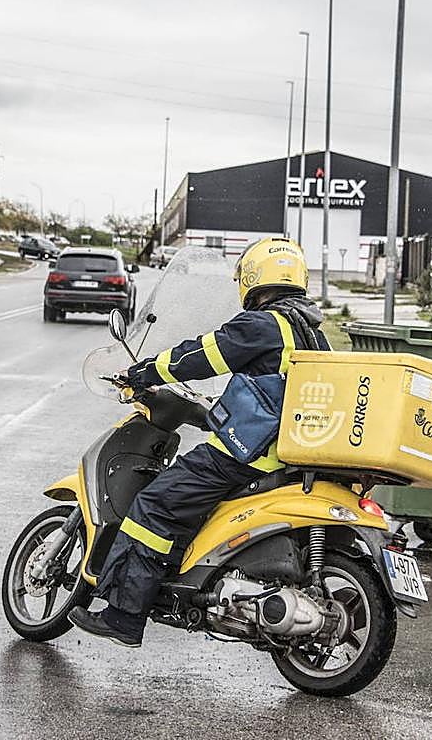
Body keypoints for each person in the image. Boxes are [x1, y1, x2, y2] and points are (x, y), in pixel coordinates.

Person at [68, 236, 330, 647]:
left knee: (155, 505)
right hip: (290, 457)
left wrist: (146, 372)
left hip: (247, 457)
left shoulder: (262, 325)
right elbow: (276, 392)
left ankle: (124, 614)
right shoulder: (313, 335)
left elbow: (203, 355)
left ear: (253, 277)